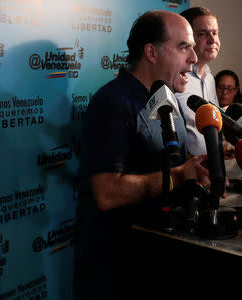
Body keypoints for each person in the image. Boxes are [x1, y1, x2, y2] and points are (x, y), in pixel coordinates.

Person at [75, 10, 210, 300]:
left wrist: (195, 172)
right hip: (118, 272)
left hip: (156, 262)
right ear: (151, 51)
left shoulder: (167, 97)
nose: (194, 58)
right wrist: (176, 175)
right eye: (183, 47)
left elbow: (172, 168)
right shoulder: (113, 103)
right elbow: (107, 193)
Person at [175, 6, 221, 156]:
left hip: (211, 171)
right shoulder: (176, 78)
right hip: (184, 173)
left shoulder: (210, 78)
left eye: (215, 33)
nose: (212, 40)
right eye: (203, 34)